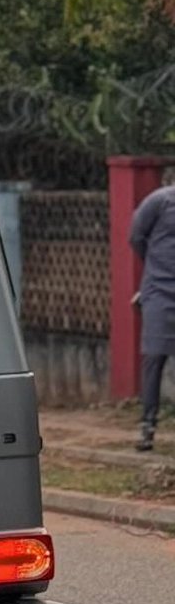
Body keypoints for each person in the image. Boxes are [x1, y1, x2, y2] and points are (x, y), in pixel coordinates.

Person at [129, 183, 175, 450]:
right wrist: (155, 268)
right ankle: (148, 426)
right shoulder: (159, 201)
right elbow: (136, 236)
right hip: (159, 291)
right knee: (154, 358)